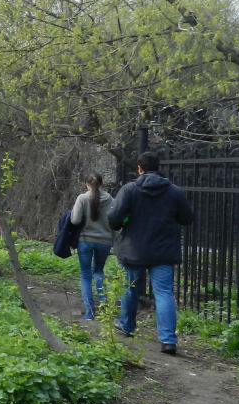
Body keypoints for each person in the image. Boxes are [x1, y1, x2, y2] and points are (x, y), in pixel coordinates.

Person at [108, 151, 194, 354]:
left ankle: (127, 326)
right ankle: (168, 339)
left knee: (131, 290)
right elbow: (187, 218)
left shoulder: (129, 190)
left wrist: (124, 222)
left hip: (134, 250)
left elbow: (114, 217)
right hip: (163, 252)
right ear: (159, 168)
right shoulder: (174, 191)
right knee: (164, 293)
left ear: (139, 169)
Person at [71, 173, 114, 319]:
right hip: (105, 241)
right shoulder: (110, 200)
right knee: (99, 271)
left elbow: (75, 220)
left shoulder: (82, 198)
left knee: (85, 275)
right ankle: (105, 309)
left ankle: (89, 313)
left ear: (86, 184)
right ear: (102, 183)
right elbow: (116, 219)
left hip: (85, 241)